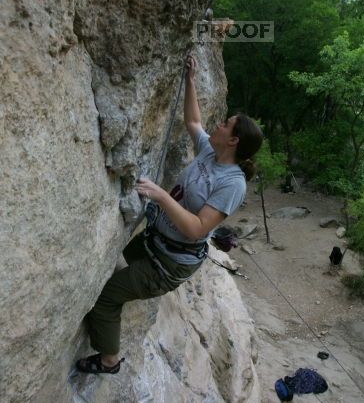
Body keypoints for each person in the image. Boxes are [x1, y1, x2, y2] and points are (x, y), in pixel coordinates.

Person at [76, 54, 263, 375]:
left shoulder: (232, 183)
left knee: (106, 297)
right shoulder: (210, 151)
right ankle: (126, 293)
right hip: (157, 242)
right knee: (113, 262)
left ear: (233, 140)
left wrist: (161, 196)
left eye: (225, 124)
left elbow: (197, 228)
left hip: (170, 262)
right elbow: (193, 122)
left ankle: (110, 361)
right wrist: (189, 80)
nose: (217, 125)